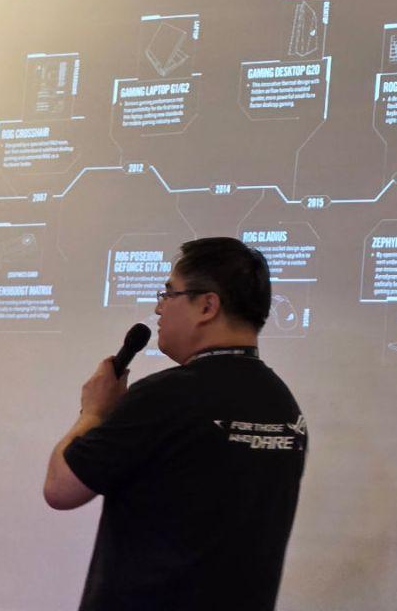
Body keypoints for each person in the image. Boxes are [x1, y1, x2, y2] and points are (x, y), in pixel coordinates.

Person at [43, 237, 307, 611]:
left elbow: (61, 489)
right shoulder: (283, 405)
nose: (159, 307)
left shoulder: (166, 396)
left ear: (207, 306)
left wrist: (94, 412)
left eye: (169, 293)